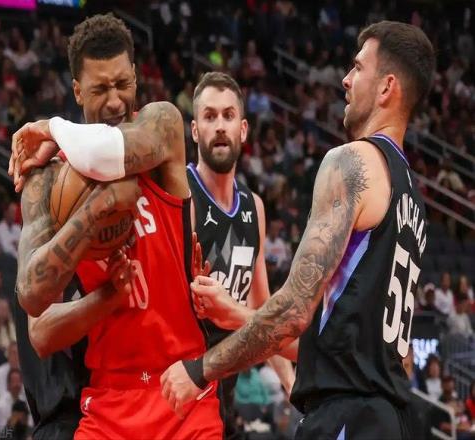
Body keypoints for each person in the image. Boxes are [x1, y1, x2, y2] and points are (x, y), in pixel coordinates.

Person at [161, 20, 435, 439]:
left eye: (358, 67)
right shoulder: (413, 199)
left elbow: (293, 312)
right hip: (391, 419)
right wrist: (238, 314)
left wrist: (200, 370)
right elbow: (364, 347)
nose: (345, 79)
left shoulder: (353, 161)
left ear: (386, 87)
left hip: (348, 414)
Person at [10, 13, 222, 440]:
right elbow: (33, 301)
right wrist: (96, 214)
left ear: (137, 78)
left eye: (123, 84)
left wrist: (52, 128)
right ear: (77, 90)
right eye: (99, 89)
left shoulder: (161, 125)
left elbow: (112, 152)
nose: (114, 101)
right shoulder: (47, 180)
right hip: (109, 401)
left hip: (184, 388)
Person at [186, 71, 295, 439]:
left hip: (223, 393)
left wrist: (290, 382)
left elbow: (261, 308)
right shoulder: (183, 197)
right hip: (181, 387)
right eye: (210, 116)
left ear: (243, 129)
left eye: (228, 116)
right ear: (195, 131)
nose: (220, 125)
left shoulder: (254, 207)